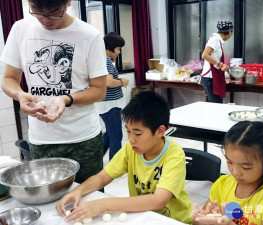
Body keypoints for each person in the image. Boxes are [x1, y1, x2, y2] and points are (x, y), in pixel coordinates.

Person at [0, 0, 108, 183]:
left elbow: (99, 91)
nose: (45, 19)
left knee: (88, 199)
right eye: (37, 11)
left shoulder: (89, 35)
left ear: (68, 3)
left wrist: (65, 99)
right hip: (41, 140)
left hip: (83, 139)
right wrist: (19, 94)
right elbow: (9, 78)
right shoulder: (20, 29)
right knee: (48, 201)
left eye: (53, 12)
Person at [56, 91, 194, 224]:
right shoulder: (131, 149)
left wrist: (104, 204)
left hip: (174, 220)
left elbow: (158, 201)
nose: (131, 139)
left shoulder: (174, 155)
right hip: (143, 216)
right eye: (128, 131)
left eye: (138, 133)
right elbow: (103, 177)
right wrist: (77, 191)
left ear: (160, 131)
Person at [192, 121, 263, 225]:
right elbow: (196, 222)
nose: (235, 172)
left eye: (246, 167)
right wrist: (205, 220)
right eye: (229, 162)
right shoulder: (222, 184)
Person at [95, 32, 129, 160]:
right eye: (118, 49)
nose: (119, 52)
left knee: (110, 134)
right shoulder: (106, 61)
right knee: (116, 136)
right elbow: (108, 82)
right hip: (110, 105)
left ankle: (97, 160)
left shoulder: (102, 60)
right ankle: (115, 166)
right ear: (111, 47)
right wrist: (122, 82)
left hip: (106, 104)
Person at [200, 21, 233, 103]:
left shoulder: (218, 40)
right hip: (210, 78)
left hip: (213, 78)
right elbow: (205, 55)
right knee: (216, 106)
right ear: (229, 32)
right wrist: (220, 64)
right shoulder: (215, 39)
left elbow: (213, 57)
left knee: (215, 105)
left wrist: (223, 66)